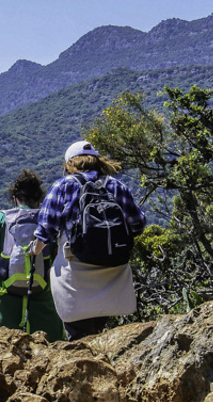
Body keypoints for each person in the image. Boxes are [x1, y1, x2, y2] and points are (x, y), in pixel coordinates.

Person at [32, 140, 147, 340]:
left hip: (75, 269)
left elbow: (46, 230)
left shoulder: (63, 186)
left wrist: (33, 251)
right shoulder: (116, 185)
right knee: (102, 331)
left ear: (69, 164)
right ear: (97, 161)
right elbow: (137, 224)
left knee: (78, 335)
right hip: (113, 271)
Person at [0, 169, 65, 340]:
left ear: (15, 199)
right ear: (40, 200)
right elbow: (55, 258)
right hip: (42, 306)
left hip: (2, 308)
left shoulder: (2, 219)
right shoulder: (48, 220)